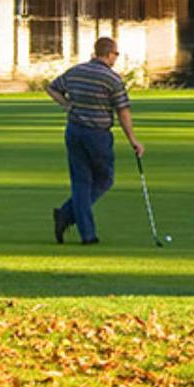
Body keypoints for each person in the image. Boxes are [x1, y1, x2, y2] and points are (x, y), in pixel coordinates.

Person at [47, 36, 142, 245]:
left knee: (81, 182)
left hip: (74, 131)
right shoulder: (112, 78)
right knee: (104, 179)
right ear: (108, 54)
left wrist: (67, 105)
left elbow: (52, 88)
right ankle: (72, 220)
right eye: (116, 54)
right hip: (97, 134)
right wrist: (133, 139)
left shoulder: (76, 72)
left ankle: (73, 221)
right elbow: (122, 111)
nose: (116, 57)